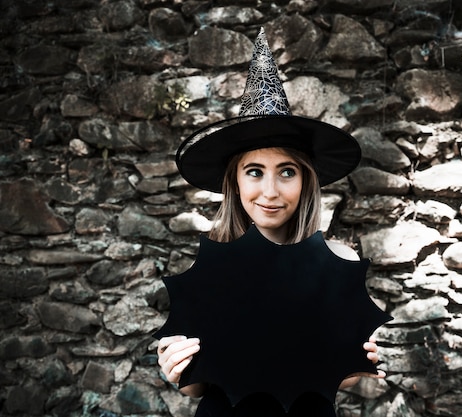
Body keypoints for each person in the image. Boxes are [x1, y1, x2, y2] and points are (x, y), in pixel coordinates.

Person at [156, 28, 386, 416]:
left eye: (287, 172)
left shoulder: (338, 263)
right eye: (255, 172)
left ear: (306, 179)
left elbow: (341, 377)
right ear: (235, 181)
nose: (270, 192)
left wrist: (358, 361)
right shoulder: (208, 266)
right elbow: (195, 387)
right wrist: (175, 366)